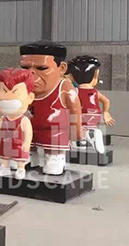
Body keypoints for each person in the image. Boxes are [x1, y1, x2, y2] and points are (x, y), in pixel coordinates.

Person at [19, 40, 83, 175]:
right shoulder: (22, 88)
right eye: (25, 68)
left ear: (62, 68)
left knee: (53, 152)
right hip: (28, 128)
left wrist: (76, 133)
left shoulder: (64, 87)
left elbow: (74, 109)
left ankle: (55, 157)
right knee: (25, 140)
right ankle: (30, 156)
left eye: (41, 68)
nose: (31, 74)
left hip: (54, 131)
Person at [66, 55, 115, 153]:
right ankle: (84, 140)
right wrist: (105, 112)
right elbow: (106, 101)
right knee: (84, 129)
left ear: (72, 77)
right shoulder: (95, 92)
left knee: (73, 129)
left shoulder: (75, 91)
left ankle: (86, 136)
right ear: (95, 76)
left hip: (81, 115)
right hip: (95, 116)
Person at [0, 68, 35, 179]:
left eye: (15, 92)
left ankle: (20, 168)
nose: (8, 99)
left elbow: (28, 133)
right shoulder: (2, 119)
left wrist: (27, 142)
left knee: (20, 157)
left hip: (18, 144)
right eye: (4, 92)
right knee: (4, 155)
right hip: (5, 142)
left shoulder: (23, 120)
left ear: (30, 98)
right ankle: (4, 166)